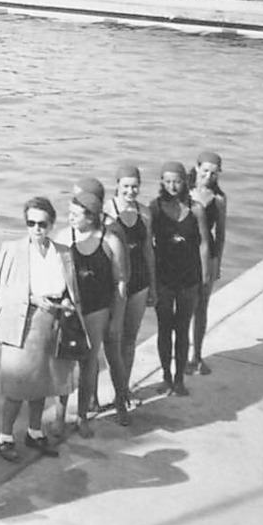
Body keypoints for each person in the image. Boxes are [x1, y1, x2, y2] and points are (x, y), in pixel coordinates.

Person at [0, 197, 81, 462]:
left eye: (42, 223)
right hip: (23, 322)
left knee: (43, 381)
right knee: (16, 385)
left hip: (54, 321)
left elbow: (70, 287)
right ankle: (5, 437)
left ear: (51, 224)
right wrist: (31, 300)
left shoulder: (63, 252)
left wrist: (69, 303)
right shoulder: (12, 249)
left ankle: (35, 432)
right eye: (31, 223)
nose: (37, 229)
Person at [66, 188, 127, 439]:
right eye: (69, 213)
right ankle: (74, 415)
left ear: (90, 217)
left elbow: (121, 281)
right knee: (77, 363)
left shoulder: (110, 241)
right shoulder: (65, 237)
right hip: (76, 306)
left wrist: (118, 318)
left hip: (100, 307)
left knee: (99, 360)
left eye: (75, 214)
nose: (70, 218)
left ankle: (119, 403)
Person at [150, 162, 210, 396]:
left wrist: (205, 276)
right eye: (167, 181)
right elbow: (148, 244)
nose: (172, 186)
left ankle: (179, 379)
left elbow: (205, 243)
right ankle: (166, 376)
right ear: (162, 183)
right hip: (164, 278)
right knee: (164, 329)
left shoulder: (196, 209)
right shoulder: (155, 208)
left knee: (182, 329)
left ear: (186, 181)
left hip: (189, 278)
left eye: (177, 181)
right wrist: (151, 281)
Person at [105, 166, 154, 424]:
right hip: (116, 286)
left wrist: (153, 286)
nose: (130, 191)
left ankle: (121, 394)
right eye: (125, 186)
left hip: (140, 282)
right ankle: (109, 392)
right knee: (112, 340)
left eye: (135, 186)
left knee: (129, 340)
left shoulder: (145, 213)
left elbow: (148, 251)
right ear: (117, 185)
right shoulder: (107, 212)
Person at [188, 151, 227, 374]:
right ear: (197, 167)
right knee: (183, 307)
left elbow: (220, 234)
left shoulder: (219, 200)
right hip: (183, 256)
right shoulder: (183, 192)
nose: (209, 176)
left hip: (208, 256)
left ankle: (197, 356)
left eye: (214, 173)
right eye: (205, 171)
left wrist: (217, 264)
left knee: (201, 307)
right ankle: (183, 354)